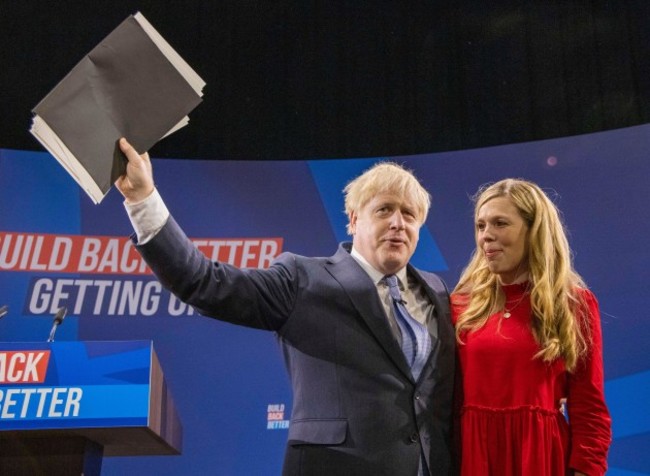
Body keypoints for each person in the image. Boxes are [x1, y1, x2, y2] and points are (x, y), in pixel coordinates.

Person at [115, 138, 455, 476]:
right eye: (384, 209)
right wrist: (142, 199)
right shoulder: (303, 279)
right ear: (353, 220)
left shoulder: (437, 291)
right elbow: (203, 281)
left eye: (409, 214)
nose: (398, 222)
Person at [451, 178, 611, 475]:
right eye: (481, 226)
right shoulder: (460, 305)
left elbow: (589, 407)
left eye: (500, 223)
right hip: (473, 459)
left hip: (544, 459)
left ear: (534, 230)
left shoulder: (574, 304)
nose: (487, 235)